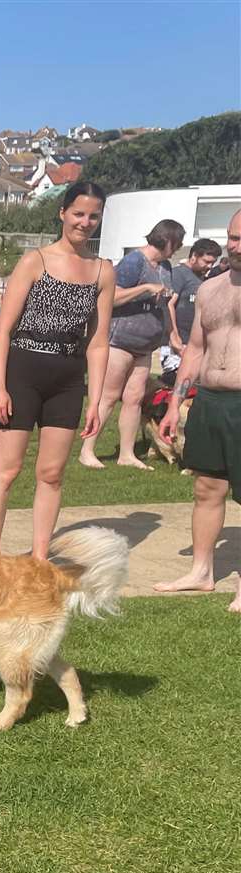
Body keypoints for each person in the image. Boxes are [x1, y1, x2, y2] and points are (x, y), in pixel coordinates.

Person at [0, 181, 113, 559]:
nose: (85, 223)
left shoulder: (103, 271)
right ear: (62, 213)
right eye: (78, 214)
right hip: (23, 371)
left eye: (93, 216)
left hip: (68, 378)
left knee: (52, 474)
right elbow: (3, 330)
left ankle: (40, 557)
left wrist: (96, 400)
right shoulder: (34, 261)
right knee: (7, 470)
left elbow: (99, 341)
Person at [153, 208, 241, 613]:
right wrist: (174, 403)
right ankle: (202, 572)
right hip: (208, 399)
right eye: (231, 237)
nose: (234, 245)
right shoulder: (211, 289)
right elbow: (195, 350)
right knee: (207, 488)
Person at [78, 218, 185, 470]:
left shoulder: (166, 267)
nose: (178, 248)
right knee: (108, 396)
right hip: (120, 340)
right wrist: (145, 287)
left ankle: (126, 454)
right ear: (167, 240)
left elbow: (166, 303)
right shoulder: (134, 261)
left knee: (134, 399)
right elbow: (110, 296)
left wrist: (173, 334)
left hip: (146, 344)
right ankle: (87, 450)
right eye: (177, 243)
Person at [164, 238, 221, 380]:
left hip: (193, 344)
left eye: (213, 263)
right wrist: (174, 338)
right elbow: (168, 304)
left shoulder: (202, 280)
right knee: (174, 385)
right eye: (206, 262)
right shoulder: (179, 274)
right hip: (178, 344)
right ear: (194, 256)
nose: (209, 266)